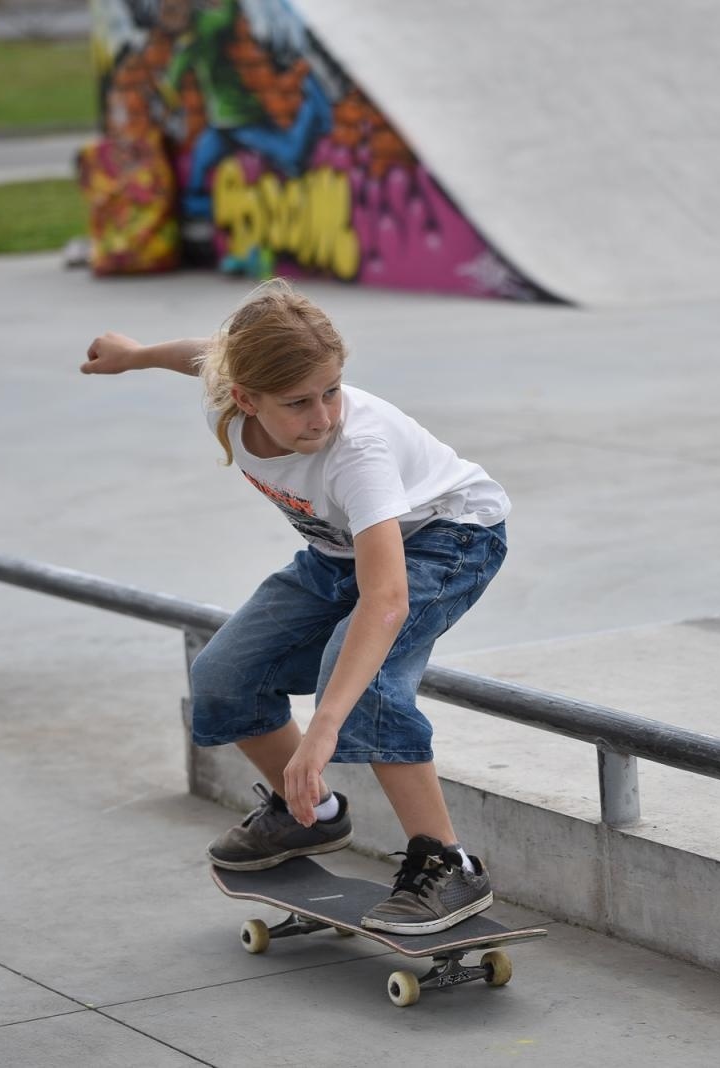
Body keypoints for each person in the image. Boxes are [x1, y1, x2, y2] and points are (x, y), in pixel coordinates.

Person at [81, 280, 511, 935]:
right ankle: (308, 814)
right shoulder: (226, 394)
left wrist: (321, 730)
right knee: (224, 676)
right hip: (337, 553)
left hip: (448, 539)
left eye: (332, 390)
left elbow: (387, 598)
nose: (323, 416)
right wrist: (134, 354)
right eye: (299, 403)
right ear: (244, 397)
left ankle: (448, 864)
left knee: (363, 678)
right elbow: (205, 353)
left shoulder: (356, 453)